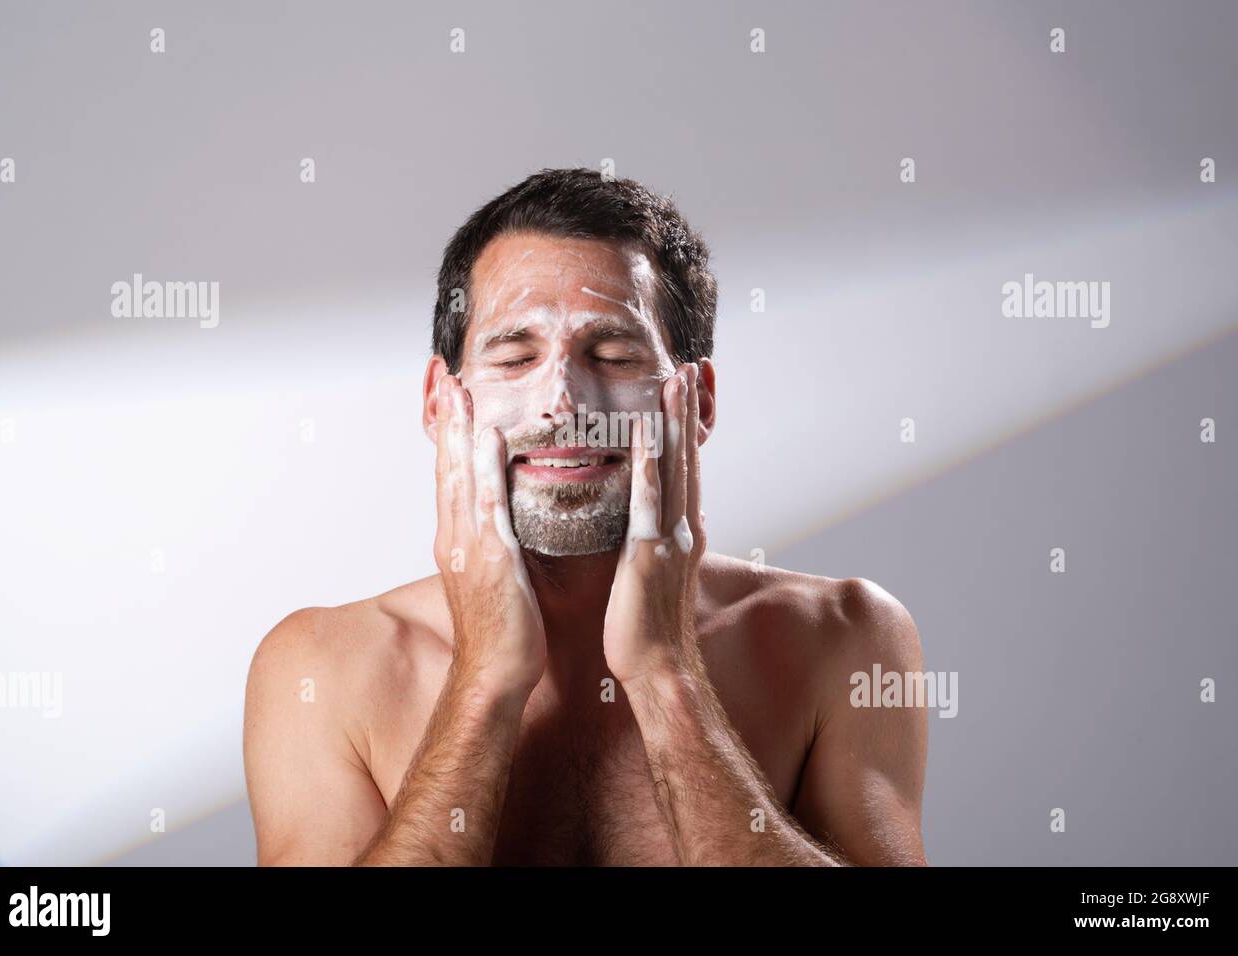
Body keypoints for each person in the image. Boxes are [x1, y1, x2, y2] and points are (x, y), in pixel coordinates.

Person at [243, 168, 929, 865]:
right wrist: (483, 680)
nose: (563, 403)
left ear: (702, 402)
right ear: (437, 403)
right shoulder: (322, 667)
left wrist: (667, 672)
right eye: (514, 357)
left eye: (614, 354)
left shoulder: (844, 636)